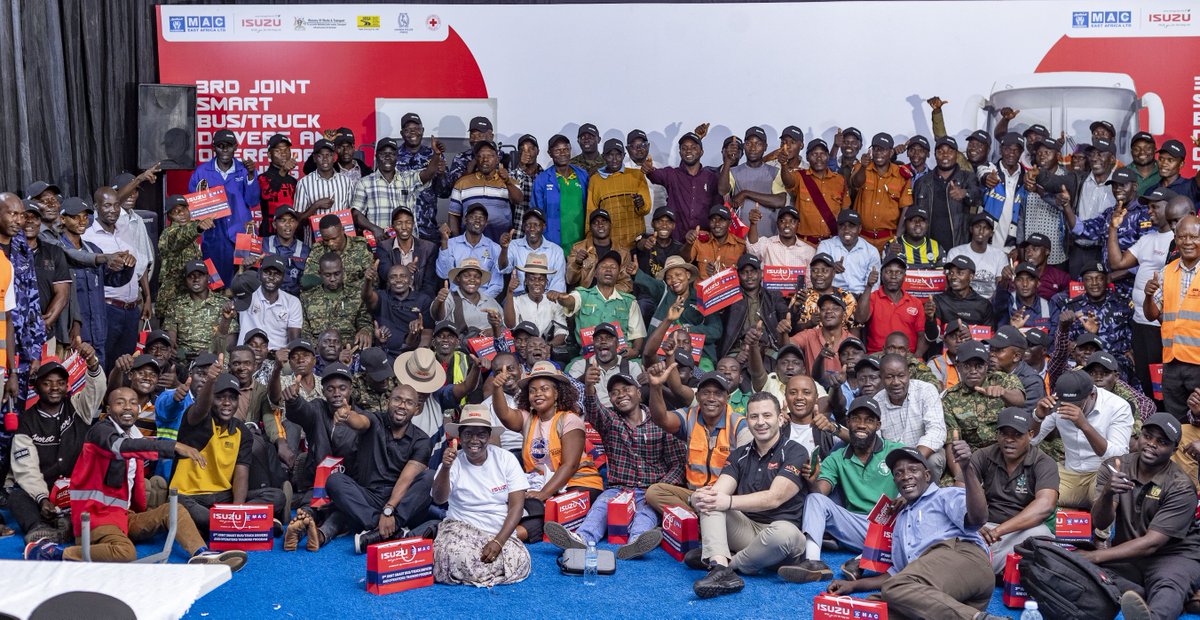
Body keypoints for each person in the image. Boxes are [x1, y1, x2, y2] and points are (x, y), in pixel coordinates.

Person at [23, 387, 246, 570]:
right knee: (125, 552)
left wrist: (145, 512)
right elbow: (123, 447)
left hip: (123, 516)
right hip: (95, 518)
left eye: (132, 402)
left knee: (173, 510)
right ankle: (54, 552)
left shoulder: (134, 435)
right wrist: (174, 446)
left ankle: (202, 554)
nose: (128, 407)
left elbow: (135, 477)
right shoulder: (100, 432)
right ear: (108, 410)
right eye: (120, 403)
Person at [826, 446, 996, 620]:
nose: (905, 476)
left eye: (913, 470)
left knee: (895, 588)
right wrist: (853, 586)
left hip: (964, 560)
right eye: (898, 473)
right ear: (895, 481)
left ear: (927, 475)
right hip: (946, 594)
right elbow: (896, 573)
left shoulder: (944, 495)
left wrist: (967, 468)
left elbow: (978, 518)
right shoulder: (901, 520)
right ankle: (975, 616)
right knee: (876, 608)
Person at [544, 367, 683, 559]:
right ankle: (581, 538)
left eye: (626, 389)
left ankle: (636, 543)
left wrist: (660, 489)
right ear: (610, 399)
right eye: (614, 393)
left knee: (646, 514)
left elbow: (678, 464)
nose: (621, 395)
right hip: (618, 488)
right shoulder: (611, 421)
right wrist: (589, 387)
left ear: (639, 393)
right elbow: (594, 409)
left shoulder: (660, 421)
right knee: (600, 508)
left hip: (651, 489)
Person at [689, 392, 811, 598]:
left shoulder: (795, 451)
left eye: (767, 415)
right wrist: (698, 498)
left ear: (780, 418)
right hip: (746, 530)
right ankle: (720, 569)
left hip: (781, 537)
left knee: (784, 534)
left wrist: (728, 501)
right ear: (747, 420)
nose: (760, 422)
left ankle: (726, 564)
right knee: (711, 502)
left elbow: (774, 498)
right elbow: (719, 492)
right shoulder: (739, 454)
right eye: (754, 417)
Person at [1085, 413, 1200, 620]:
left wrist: (1095, 556)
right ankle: (1140, 592)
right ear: (1139, 437)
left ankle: (1152, 615)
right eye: (1147, 436)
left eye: (1162, 442)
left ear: (1174, 450)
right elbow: (1100, 522)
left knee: (1169, 585)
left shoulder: (1180, 486)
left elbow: (1152, 543)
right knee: (1089, 573)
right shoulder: (1115, 466)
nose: (1151, 444)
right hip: (1130, 553)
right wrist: (1108, 493)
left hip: (1173, 555)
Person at [789, 396, 904, 583]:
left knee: (910, 516)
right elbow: (820, 493)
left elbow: (919, 480)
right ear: (848, 422)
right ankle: (813, 562)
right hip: (855, 524)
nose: (862, 425)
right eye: (856, 419)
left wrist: (905, 498)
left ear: (878, 425)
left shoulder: (895, 451)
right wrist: (812, 481)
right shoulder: (837, 457)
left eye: (869, 420)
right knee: (814, 499)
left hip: (890, 527)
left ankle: (860, 560)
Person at [308, 383, 434, 553]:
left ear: (417, 409)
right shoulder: (375, 420)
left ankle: (386, 527)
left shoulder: (422, 440)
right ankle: (390, 531)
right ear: (388, 402)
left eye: (409, 402)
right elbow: (360, 421)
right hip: (368, 499)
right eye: (397, 400)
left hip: (402, 503)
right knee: (334, 481)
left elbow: (407, 479)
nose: (402, 406)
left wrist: (389, 510)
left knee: (430, 477)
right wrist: (347, 416)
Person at [489, 362, 602, 542]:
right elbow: (504, 414)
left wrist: (544, 494)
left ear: (557, 393)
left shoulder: (569, 419)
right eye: (532, 390)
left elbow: (570, 465)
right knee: (518, 505)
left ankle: (505, 537)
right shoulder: (528, 419)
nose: (538, 394)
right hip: (542, 486)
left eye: (544, 389)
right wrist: (497, 389)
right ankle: (507, 535)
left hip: (578, 484)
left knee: (549, 509)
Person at [172, 363, 287, 533]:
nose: (227, 403)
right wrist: (211, 381)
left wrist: (236, 510)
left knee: (277, 496)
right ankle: (252, 522)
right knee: (188, 510)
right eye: (220, 397)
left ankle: (228, 523)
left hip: (223, 497)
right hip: (189, 496)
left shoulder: (242, 431)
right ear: (211, 399)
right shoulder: (198, 419)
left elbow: (241, 474)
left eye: (232, 398)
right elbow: (200, 408)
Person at [10, 346, 105, 542]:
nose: (55, 388)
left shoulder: (78, 407)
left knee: (99, 488)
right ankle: (39, 528)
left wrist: (93, 363)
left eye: (61, 383)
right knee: (17, 497)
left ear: (66, 386)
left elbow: (97, 389)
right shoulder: (26, 421)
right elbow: (26, 468)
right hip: (45, 489)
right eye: (47, 383)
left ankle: (68, 523)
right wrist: (42, 499)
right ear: (36, 387)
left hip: (78, 487)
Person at [432, 406, 530, 586]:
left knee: (520, 559)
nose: (474, 440)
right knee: (453, 554)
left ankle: (474, 573)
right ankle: (487, 573)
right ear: (459, 437)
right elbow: (439, 499)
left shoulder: (506, 459)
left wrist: (498, 542)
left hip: (497, 531)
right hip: (460, 528)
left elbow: (516, 507)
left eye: (481, 434)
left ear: (489, 436)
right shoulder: (453, 461)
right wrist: (445, 468)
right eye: (468, 434)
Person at [1108, 187, 1183, 401]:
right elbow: (1117, 263)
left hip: (1160, 323)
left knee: (1164, 382)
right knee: (1145, 377)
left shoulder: (1180, 239)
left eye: (1154, 207)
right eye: (1148, 207)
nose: (1149, 211)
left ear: (1170, 207)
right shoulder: (1147, 239)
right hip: (1140, 321)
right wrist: (1113, 228)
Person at [644, 364, 750, 514]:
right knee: (654, 492)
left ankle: (693, 520)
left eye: (718, 394)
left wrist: (721, 498)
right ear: (697, 396)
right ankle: (696, 519)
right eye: (706, 393)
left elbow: (747, 472)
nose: (711, 398)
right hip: (694, 495)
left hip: (724, 498)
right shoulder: (690, 416)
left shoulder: (740, 425)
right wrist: (655, 387)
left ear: (727, 398)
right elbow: (662, 419)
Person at [966, 407, 1059, 574]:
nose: (1009, 440)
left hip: (1020, 530)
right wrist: (974, 525)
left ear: (1030, 435)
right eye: (1004, 434)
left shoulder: (1044, 462)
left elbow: (1045, 505)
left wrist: (998, 532)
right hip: (984, 527)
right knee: (952, 528)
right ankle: (994, 568)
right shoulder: (983, 455)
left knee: (1041, 536)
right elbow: (958, 493)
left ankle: (980, 568)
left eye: (1017, 434)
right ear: (997, 435)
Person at [1146, 215, 1200, 482]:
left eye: (1194, 236)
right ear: (1175, 240)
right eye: (1182, 237)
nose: (1188, 241)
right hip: (1172, 363)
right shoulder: (1167, 272)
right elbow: (1152, 314)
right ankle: (1181, 485)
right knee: (1176, 427)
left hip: (1198, 363)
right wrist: (1148, 295)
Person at [1031, 370, 1133, 510]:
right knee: (1036, 495)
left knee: (1109, 497)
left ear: (1092, 395)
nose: (1069, 408)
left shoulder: (1118, 406)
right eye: (1064, 404)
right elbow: (1031, 441)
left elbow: (1118, 456)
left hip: (1100, 473)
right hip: (1070, 473)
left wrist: (1085, 426)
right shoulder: (1058, 402)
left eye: (1077, 404)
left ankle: (1098, 523)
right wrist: (1038, 417)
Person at [59, 198, 134, 370]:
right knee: (74, 383)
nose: (81, 221)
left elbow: (113, 280)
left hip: (98, 334)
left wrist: (128, 266)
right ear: (63, 219)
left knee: (99, 382)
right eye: (75, 217)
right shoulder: (58, 250)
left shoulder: (93, 249)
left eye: (85, 217)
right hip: (73, 337)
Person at [187, 129, 258, 285]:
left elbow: (253, 201)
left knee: (243, 284)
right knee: (215, 283)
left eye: (229, 146)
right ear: (214, 148)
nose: (225, 150)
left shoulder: (245, 169)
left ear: (236, 147)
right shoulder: (201, 172)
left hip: (242, 234)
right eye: (220, 146)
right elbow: (194, 208)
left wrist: (252, 175)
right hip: (214, 236)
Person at [80, 188, 137, 368]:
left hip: (132, 309)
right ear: (96, 207)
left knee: (126, 365)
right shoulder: (86, 236)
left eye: (117, 205)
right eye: (107, 205)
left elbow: (139, 265)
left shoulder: (125, 229)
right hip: (107, 309)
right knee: (104, 363)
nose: (113, 210)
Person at [550, 249, 645, 352]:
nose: (608, 269)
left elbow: (638, 334)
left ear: (618, 274)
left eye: (613, 267)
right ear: (595, 273)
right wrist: (560, 298)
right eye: (604, 266)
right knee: (575, 364)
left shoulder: (629, 302)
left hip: (621, 356)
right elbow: (570, 301)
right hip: (589, 355)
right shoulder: (582, 295)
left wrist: (635, 351)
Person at [1057, 261, 1136, 386]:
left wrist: (1132, 351)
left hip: (1116, 360)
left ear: (1106, 280)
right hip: (1084, 361)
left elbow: (1136, 334)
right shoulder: (1072, 307)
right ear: (1082, 282)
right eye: (1089, 279)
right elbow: (1065, 341)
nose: (1094, 283)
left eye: (1099, 278)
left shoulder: (1123, 302)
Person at [348, 136, 442, 235]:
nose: (387, 157)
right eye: (383, 154)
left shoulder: (408, 178)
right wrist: (375, 229)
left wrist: (436, 155)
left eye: (392, 154)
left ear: (397, 156)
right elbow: (356, 213)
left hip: (407, 241)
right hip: (380, 241)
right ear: (376, 156)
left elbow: (428, 173)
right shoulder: (365, 183)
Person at [874, 353, 948, 480]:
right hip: (892, 459)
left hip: (924, 453)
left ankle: (929, 492)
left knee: (933, 461)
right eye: (889, 377)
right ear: (881, 378)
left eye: (901, 376)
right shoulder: (876, 402)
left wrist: (913, 460)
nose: (896, 382)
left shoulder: (926, 390)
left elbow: (937, 431)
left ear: (909, 374)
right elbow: (877, 442)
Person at [942, 341, 1026, 451]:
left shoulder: (1002, 380)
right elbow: (953, 442)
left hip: (1004, 450)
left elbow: (1020, 400)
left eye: (979, 366)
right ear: (958, 367)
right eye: (967, 366)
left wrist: (1003, 392)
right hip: (972, 455)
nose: (973, 371)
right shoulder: (950, 398)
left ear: (986, 366)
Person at [642, 132, 719, 244]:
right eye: (684, 148)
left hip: (703, 242)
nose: (688, 151)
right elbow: (655, 175)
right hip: (676, 241)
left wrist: (709, 234)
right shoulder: (672, 174)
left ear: (701, 152)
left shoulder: (711, 177)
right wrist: (649, 170)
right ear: (680, 153)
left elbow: (716, 208)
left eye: (693, 148)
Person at [912, 135, 981, 248]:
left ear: (957, 155)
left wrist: (965, 193)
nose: (945, 155)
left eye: (950, 151)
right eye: (940, 151)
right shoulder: (922, 182)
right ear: (935, 155)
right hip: (928, 247)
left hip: (958, 245)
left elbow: (978, 197)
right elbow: (914, 215)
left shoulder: (967, 177)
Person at [850, 132, 913, 251]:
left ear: (891, 152)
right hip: (861, 238)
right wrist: (863, 166)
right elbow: (856, 184)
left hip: (888, 239)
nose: (878, 153)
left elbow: (906, 209)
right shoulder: (862, 166)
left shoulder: (901, 175)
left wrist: (897, 238)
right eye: (876, 149)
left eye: (883, 150)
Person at [719, 126, 787, 236]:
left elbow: (779, 201)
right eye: (748, 143)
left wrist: (746, 193)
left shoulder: (774, 172)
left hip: (768, 238)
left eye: (758, 144)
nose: (753, 148)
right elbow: (722, 190)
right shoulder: (734, 172)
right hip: (740, 238)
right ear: (744, 146)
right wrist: (727, 161)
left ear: (765, 147)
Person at [450, 140, 522, 243]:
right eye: (481, 156)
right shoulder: (462, 183)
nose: (485, 159)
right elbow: (453, 215)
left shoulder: (510, 181)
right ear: (476, 159)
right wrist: (456, 242)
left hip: (501, 244)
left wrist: (507, 182)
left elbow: (519, 200)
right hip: (469, 245)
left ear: (497, 159)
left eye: (490, 155)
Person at [719, 253, 788, 358]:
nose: (749, 276)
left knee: (780, 362)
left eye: (753, 271)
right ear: (738, 275)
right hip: (737, 350)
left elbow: (786, 319)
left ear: (760, 274)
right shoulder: (730, 298)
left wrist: (796, 308)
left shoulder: (773, 296)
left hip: (768, 349)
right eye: (744, 272)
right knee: (729, 365)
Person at [585, 138, 651, 249]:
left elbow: (646, 209)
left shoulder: (637, 175)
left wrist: (641, 204)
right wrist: (589, 239)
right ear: (603, 156)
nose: (614, 159)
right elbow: (590, 213)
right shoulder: (595, 180)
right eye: (610, 155)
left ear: (624, 155)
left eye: (618, 155)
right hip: (609, 245)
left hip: (636, 243)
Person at [164, 260, 236, 360]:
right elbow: (171, 338)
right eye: (191, 276)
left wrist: (212, 353)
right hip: (184, 358)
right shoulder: (176, 305)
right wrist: (176, 352)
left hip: (213, 358)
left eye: (200, 276)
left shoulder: (223, 303)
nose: (196, 279)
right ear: (185, 280)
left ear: (208, 277)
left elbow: (231, 339)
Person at [780, 138, 848, 245]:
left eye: (822, 154)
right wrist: (784, 165)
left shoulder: (840, 180)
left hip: (832, 243)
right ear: (807, 157)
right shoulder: (800, 176)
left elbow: (845, 211)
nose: (819, 158)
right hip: (805, 243)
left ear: (828, 156)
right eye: (814, 154)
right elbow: (788, 183)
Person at [436, 204, 507, 299]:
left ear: (486, 223)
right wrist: (444, 242)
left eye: (481, 218)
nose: (477, 220)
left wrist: (479, 300)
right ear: (465, 220)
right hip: (457, 298)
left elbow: (497, 285)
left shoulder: (495, 248)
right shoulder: (451, 244)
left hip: (484, 299)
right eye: (473, 217)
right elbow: (443, 274)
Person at [858, 254, 925, 355]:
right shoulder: (873, 298)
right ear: (881, 274)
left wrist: (917, 357)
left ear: (905, 276)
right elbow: (860, 319)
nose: (893, 276)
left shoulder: (916, 303)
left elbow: (922, 335)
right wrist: (869, 286)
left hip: (907, 356)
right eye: (889, 272)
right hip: (878, 355)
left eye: (898, 272)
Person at [565, 322, 642, 408]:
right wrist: (583, 379)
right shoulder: (580, 365)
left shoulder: (631, 367)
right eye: (598, 339)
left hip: (623, 412)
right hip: (591, 413)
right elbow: (568, 394)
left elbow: (640, 396)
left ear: (617, 344)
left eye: (608, 338)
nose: (603, 341)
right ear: (593, 344)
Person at [533, 134, 589, 250]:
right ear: (550, 153)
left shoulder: (582, 175)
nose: (562, 153)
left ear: (570, 150)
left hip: (580, 242)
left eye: (566, 149)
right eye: (557, 150)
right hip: (551, 242)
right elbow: (536, 213)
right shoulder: (542, 179)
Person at [301, 252, 371, 346]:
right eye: (327, 275)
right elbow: (304, 332)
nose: (333, 279)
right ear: (320, 274)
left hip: (350, 349)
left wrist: (365, 331)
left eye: (337, 274)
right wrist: (324, 349)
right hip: (318, 351)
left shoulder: (357, 295)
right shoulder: (307, 297)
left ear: (343, 271)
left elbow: (365, 322)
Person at [235, 255, 301, 350]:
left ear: (283, 277)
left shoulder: (292, 302)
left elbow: (294, 342)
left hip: (276, 356)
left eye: (277, 274)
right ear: (259, 273)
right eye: (267, 272)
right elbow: (236, 286)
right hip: (246, 354)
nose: (271, 277)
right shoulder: (248, 294)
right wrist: (244, 269)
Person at [375, 206, 439, 299]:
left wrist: (420, 302)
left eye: (408, 222)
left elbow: (429, 284)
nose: (404, 227)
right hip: (393, 300)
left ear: (413, 224)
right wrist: (405, 270)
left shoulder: (428, 248)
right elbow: (385, 274)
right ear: (392, 226)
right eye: (399, 223)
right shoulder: (384, 247)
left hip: (419, 299)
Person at [924, 255, 993, 339]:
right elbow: (932, 337)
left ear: (971, 277)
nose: (953, 277)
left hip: (973, 346)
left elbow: (989, 336)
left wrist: (972, 336)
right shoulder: (938, 300)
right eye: (951, 273)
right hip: (945, 346)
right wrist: (930, 320)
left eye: (960, 273)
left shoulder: (983, 304)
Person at [566, 208, 634, 294]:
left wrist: (603, 293)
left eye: (604, 221)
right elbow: (570, 280)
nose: (600, 225)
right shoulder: (578, 248)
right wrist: (577, 263)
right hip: (585, 296)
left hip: (611, 297)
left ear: (610, 225)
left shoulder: (623, 253)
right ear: (590, 228)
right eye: (595, 222)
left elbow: (626, 284)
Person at [302, 213, 374, 292]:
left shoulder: (361, 245)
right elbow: (309, 281)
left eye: (334, 238)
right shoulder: (317, 249)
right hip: (328, 296)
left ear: (343, 230)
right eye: (326, 240)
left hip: (355, 295)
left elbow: (372, 281)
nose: (330, 243)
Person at [815, 209, 882, 295]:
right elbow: (817, 276)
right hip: (832, 297)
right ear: (837, 227)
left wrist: (863, 300)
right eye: (842, 225)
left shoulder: (871, 251)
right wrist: (830, 268)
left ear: (859, 228)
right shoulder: (826, 246)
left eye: (851, 226)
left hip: (861, 297)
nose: (846, 230)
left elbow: (873, 286)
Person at [979, 133, 1028, 249]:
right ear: (1001, 150)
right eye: (1007, 149)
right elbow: (982, 173)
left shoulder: (1026, 178)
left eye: (1016, 150)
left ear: (1021, 152)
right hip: (986, 243)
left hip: (1011, 247)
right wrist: (987, 178)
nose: (1011, 153)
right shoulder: (990, 168)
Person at [294, 139, 355, 232]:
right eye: (320, 155)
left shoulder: (346, 182)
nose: (325, 159)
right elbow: (298, 220)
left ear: (334, 157)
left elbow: (352, 214)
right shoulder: (304, 183)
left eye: (328, 155)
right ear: (314, 158)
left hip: (340, 238)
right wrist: (315, 206)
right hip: (315, 239)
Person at [946, 213, 1009, 299]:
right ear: (971, 229)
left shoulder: (1000, 255)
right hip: (961, 301)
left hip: (989, 303)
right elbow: (949, 283)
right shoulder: (955, 252)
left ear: (991, 233)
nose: (981, 231)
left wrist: (1005, 279)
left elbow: (1000, 289)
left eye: (986, 228)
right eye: (977, 227)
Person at [985, 325, 1045, 414]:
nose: (992, 354)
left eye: (998, 350)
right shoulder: (985, 370)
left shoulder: (1032, 382)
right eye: (991, 349)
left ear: (1016, 356)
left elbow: (1026, 417)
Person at [993, 261, 1060, 339]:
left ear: (1038, 283)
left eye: (1030, 279)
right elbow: (999, 303)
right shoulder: (1007, 301)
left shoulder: (1050, 308)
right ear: (1013, 283)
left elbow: (1053, 340)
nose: (1025, 284)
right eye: (1019, 279)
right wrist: (1004, 281)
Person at [790, 294, 851, 380]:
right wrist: (783, 333)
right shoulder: (809, 335)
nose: (828, 311)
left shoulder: (851, 340)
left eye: (835, 308)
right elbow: (787, 345)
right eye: (823, 309)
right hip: (813, 387)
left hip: (841, 387)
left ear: (844, 315)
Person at [507, 209, 566, 295]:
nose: (532, 228)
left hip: (546, 298)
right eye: (528, 225)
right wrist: (504, 249)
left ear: (544, 226)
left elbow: (558, 283)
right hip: (519, 296)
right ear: (523, 226)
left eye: (536, 225)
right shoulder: (514, 245)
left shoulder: (557, 251)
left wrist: (546, 300)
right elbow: (504, 269)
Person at [745, 205, 816, 272]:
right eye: (782, 221)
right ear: (777, 224)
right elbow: (752, 248)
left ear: (798, 225)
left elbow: (809, 279)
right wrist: (753, 224)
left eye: (792, 221)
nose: (787, 225)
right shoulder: (767, 244)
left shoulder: (809, 251)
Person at [685, 205, 745, 279]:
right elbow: (684, 261)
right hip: (703, 285)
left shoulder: (740, 245)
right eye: (713, 220)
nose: (717, 224)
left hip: (728, 286)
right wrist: (688, 244)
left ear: (729, 223)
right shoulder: (699, 239)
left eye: (721, 220)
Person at [256, 133, 298, 237]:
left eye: (286, 150)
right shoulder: (263, 178)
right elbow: (267, 194)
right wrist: (283, 171)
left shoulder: (293, 181)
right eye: (278, 151)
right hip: (269, 235)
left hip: (291, 235)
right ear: (269, 154)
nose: (283, 154)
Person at [264, 206, 309, 297]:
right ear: (274, 225)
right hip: (266, 296)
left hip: (294, 298)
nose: (288, 224)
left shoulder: (305, 251)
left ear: (296, 224)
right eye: (283, 220)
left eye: (292, 221)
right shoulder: (263, 244)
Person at [633, 207, 685, 278]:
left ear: (674, 226)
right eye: (659, 222)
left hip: (669, 284)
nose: (664, 225)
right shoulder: (644, 238)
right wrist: (645, 243)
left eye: (669, 222)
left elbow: (686, 258)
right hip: (645, 284)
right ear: (652, 224)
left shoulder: (678, 247)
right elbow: (640, 244)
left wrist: (689, 244)